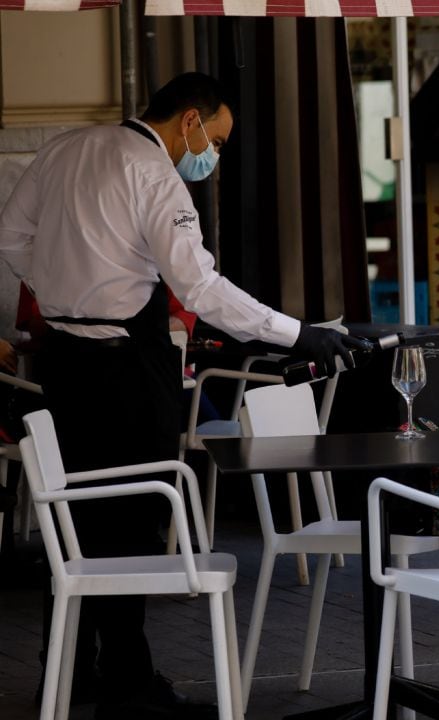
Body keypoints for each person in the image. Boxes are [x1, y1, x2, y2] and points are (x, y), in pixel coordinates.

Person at [0, 72, 367, 719]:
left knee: (82, 523)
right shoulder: (156, 177)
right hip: (126, 370)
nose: (212, 156)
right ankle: (126, 687)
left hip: (64, 363)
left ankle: (74, 673)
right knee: (133, 524)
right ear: (190, 121)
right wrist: (297, 333)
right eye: (216, 140)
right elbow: (201, 290)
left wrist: (63, 289)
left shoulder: (63, 148)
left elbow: (10, 239)